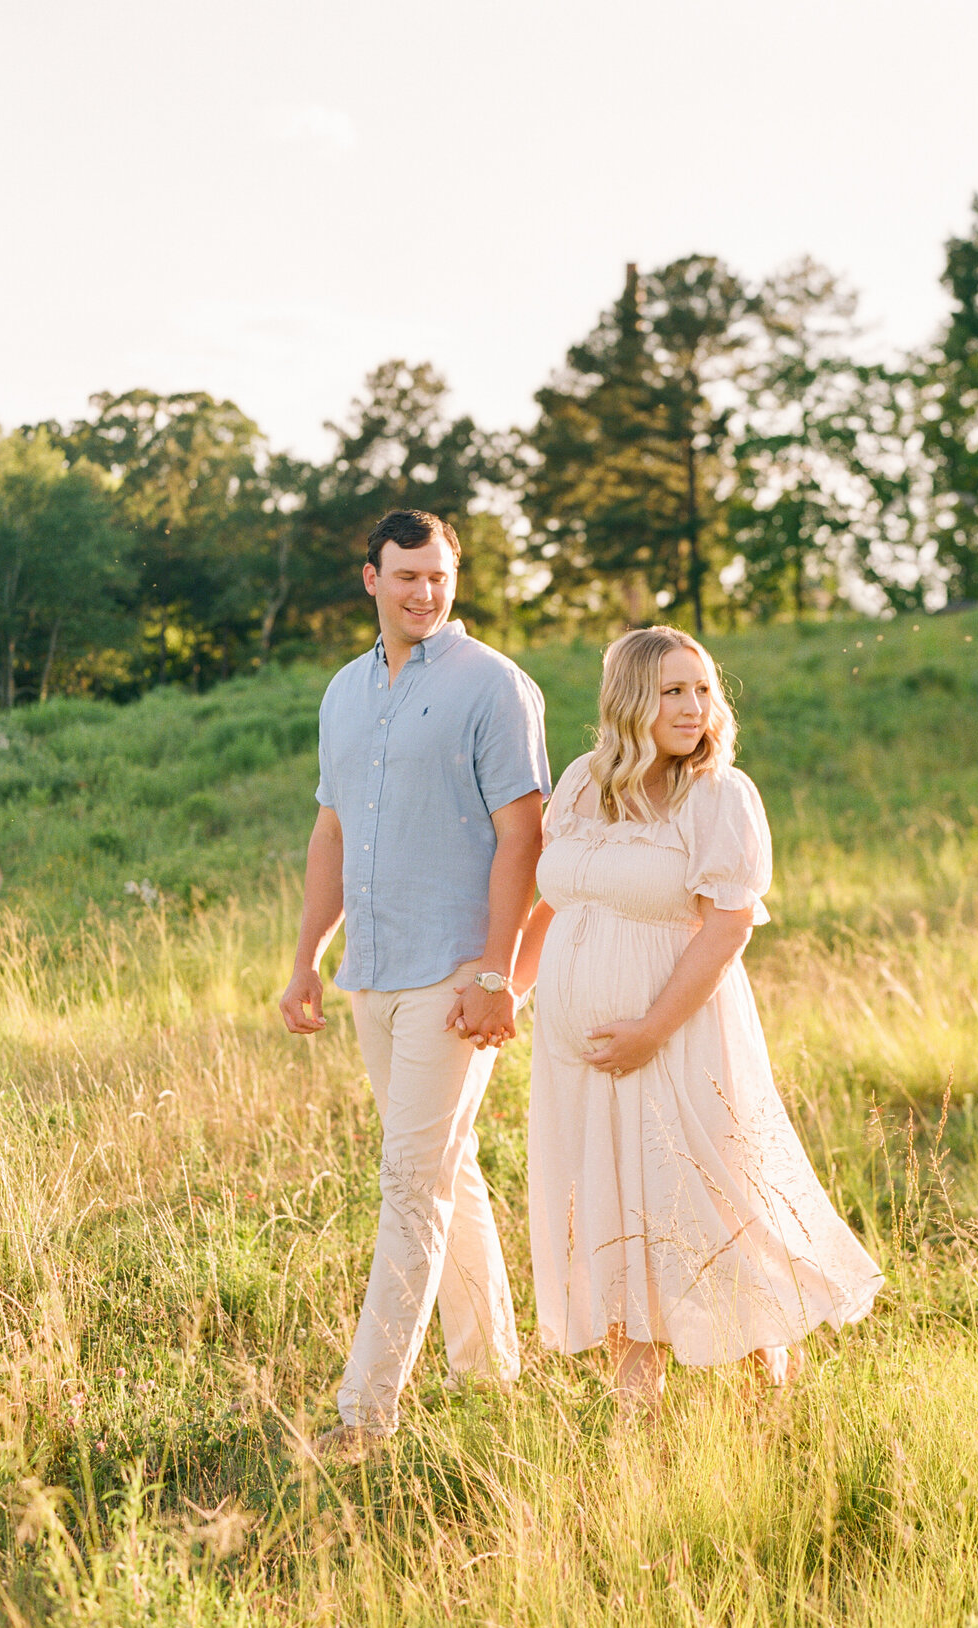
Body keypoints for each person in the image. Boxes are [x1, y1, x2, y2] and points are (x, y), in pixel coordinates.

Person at [514, 626, 882, 1414]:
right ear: (629, 700)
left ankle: (768, 1404)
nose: (693, 707)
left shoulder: (719, 794)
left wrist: (649, 1029)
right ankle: (633, 1409)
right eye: (673, 691)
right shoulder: (583, 783)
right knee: (608, 1205)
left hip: (678, 1036)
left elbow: (728, 925)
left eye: (704, 689)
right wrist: (507, 986)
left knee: (707, 1203)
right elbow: (558, 898)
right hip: (576, 1052)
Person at [279, 508, 550, 1453]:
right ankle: (493, 1372)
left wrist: (497, 974)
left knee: (407, 1182)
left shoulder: (496, 687)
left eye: (439, 576)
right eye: (407, 577)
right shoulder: (342, 694)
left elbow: (526, 837)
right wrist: (308, 957)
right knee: (445, 1171)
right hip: (374, 974)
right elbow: (332, 833)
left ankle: (365, 1413)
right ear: (371, 580)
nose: (426, 593)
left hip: (453, 973)